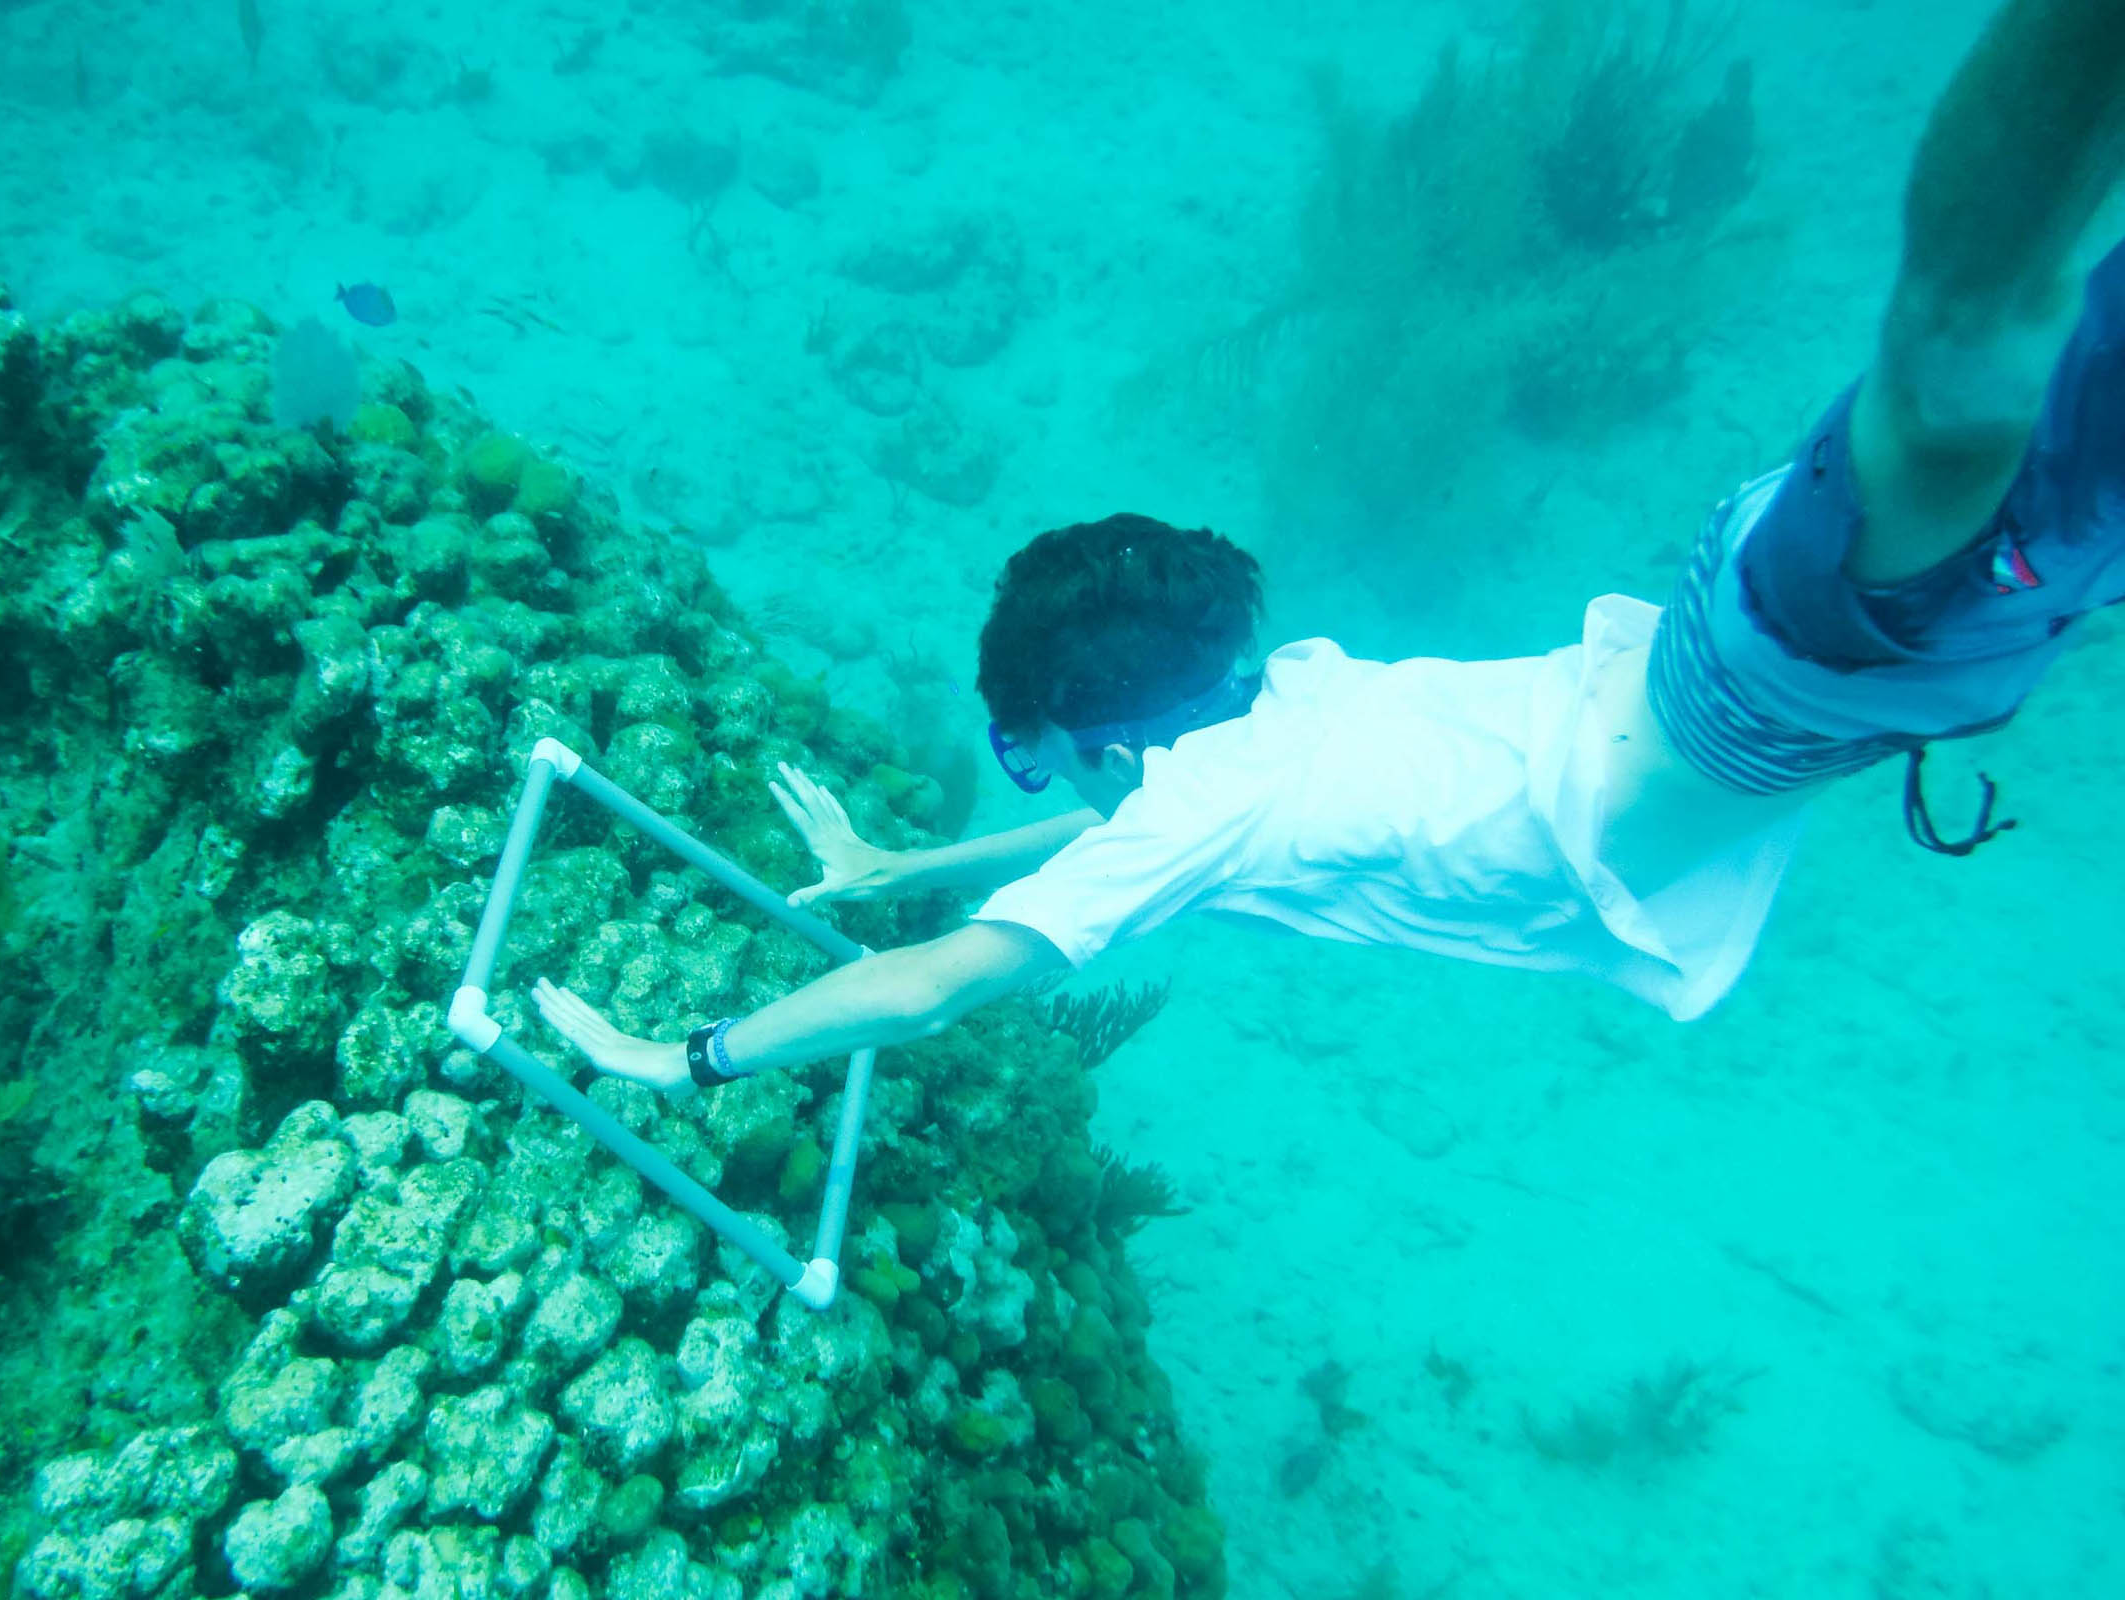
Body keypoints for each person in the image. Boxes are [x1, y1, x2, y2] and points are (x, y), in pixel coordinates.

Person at [533, 0, 2125, 1098]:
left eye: (1033, 761)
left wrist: (679, 1056)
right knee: (2030, 400)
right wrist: (898, 867)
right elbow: (1114, 834)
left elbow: (932, 988)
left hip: (1769, 686)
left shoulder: (1212, 801)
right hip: (1761, 665)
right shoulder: (1278, 695)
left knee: (1961, 360)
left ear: (1105, 734)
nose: (1054, 792)